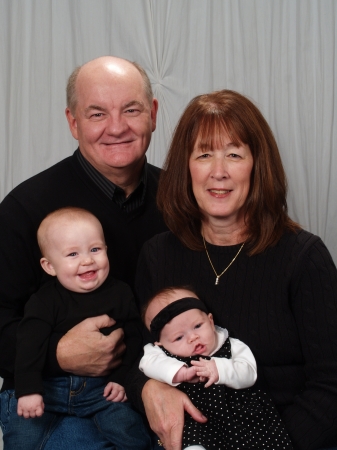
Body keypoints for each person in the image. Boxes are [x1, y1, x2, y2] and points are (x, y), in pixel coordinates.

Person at [129, 90, 337, 450]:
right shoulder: (157, 256)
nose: (219, 171)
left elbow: (330, 386)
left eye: (234, 154)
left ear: (257, 165)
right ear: (186, 166)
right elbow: (137, 357)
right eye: (205, 154)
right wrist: (147, 389)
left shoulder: (304, 258)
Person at [0, 56, 167, 449]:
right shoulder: (24, 209)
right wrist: (57, 354)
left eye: (131, 109)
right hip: (53, 400)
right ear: (73, 122)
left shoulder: (180, 200)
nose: (116, 127)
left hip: (148, 388)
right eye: (96, 114)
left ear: (153, 114)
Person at [12, 207, 151, 449]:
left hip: (103, 390)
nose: (87, 260)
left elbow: (135, 338)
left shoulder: (120, 293)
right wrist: (29, 389)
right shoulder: (44, 300)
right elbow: (29, 345)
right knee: (24, 436)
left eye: (95, 249)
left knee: (129, 431)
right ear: (49, 266)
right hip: (49, 387)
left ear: (107, 250)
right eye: (72, 254)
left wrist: (121, 380)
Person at [139, 286, 293, 449]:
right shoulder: (158, 353)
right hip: (197, 420)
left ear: (211, 321)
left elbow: (249, 372)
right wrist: (180, 373)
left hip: (240, 415)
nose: (193, 337)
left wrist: (220, 368)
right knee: (189, 441)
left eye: (197, 326)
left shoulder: (230, 344)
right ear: (160, 344)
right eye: (178, 337)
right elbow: (147, 363)